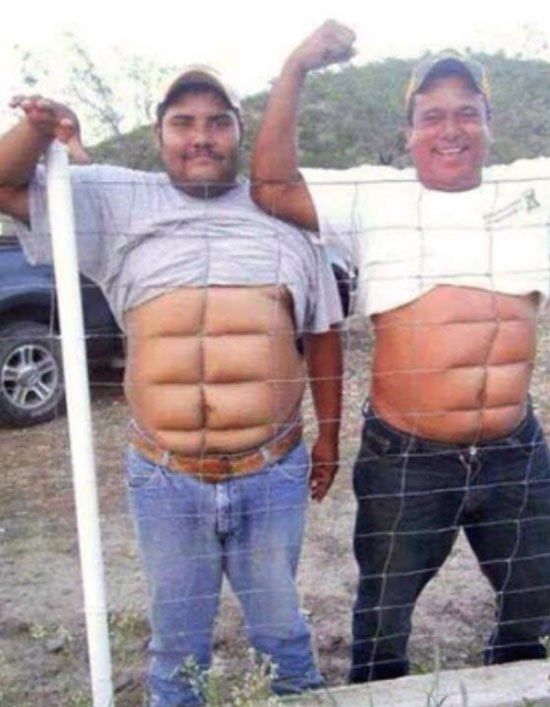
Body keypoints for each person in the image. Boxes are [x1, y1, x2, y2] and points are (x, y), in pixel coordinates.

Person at [249, 22, 550, 682]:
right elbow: (271, 187)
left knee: (531, 607)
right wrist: (296, 68)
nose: (449, 129)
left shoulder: (537, 187)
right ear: (408, 132)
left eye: (466, 113)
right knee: (385, 615)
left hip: (516, 451)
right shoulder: (372, 195)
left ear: (489, 123)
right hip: (408, 460)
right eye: (432, 116)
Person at [0, 67, 344, 704]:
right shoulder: (114, 200)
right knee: (177, 643)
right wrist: (36, 128)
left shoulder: (285, 210)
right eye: (183, 123)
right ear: (159, 135)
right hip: (165, 475)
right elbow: (5, 181)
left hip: (271, 470)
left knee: (281, 631)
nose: (201, 138)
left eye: (218, 122)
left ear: (241, 133)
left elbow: (322, 332)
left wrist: (331, 438)